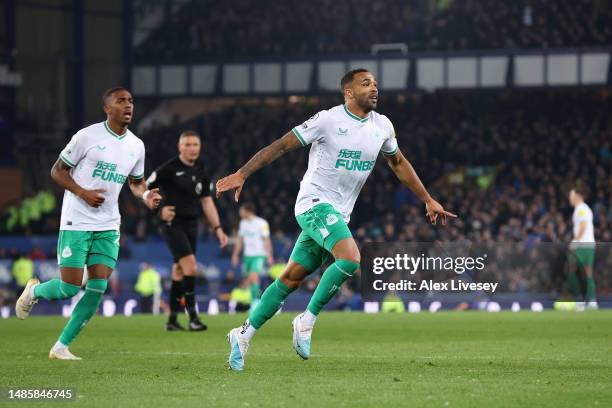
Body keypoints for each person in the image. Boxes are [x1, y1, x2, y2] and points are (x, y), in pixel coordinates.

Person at [216, 68, 456, 371]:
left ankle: (242, 335)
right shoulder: (328, 120)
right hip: (313, 204)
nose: (374, 88)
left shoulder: (382, 126)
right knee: (351, 258)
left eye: (375, 84)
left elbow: (398, 163)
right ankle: (306, 320)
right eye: (366, 83)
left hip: (338, 213)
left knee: (290, 278)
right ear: (348, 92)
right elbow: (281, 145)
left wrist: (427, 198)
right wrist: (242, 173)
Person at [15, 87, 161, 360]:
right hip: (76, 221)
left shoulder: (136, 145)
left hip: (108, 224)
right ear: (107, 108)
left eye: (130, 101)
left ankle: (61, 347)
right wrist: (83, 192)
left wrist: (146, 195)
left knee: (98, 286)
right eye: (121, 101)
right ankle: (33, 291)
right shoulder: (87, 137)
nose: (128, 105)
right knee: (70, 287)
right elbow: (57, 170)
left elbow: (136, 182)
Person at [146, 130, 228, 331]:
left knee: (179, 270)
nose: (192, 149)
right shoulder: (169, 168)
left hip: (192, 225)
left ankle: (172, 321)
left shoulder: (200, 169)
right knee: (190, 267)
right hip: (173, 224)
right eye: (188, 145)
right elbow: (145, 188)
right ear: (179, 147)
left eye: (195, 145)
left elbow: (207, 202)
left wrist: (217, 228)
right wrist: (160, 209)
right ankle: (193, 318)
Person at [231, 203, 273, 308]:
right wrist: (235, 255)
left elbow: (266, 239)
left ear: (247, 211)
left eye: (241, 210)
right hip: (247, 256)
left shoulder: (262, 223)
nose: (240, 213)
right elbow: (240, 240)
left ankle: (255, 303)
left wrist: (269, 255)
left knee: (253, 277)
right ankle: (256, 301)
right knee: (249, 279)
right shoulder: (243, 223)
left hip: (259, 254)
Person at [568, 187, 597, 310]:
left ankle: (580, 300)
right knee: (587, 273)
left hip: (582, 245)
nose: (570, 198)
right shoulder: (586, 209)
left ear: (577, 196)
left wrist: (575, 241)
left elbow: (584, 225)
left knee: (573, 272)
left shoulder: (580, 209)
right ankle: (591, 301)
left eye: (571, 196)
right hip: (589, 245)